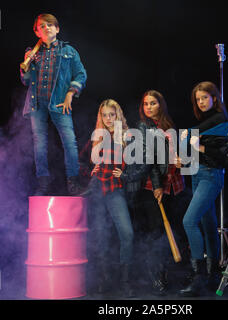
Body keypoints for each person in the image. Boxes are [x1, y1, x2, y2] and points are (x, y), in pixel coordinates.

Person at [118, 90, 188, 296]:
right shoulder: (143, 127)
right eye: (146, 104)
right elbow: (150, 161)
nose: (149, 107)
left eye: (153, 103)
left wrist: (180, 160)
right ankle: (158, 275)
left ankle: (174, 271)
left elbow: (171, 154)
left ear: (161, 105)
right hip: (152, 187)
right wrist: (157, 185)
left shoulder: (168, 125)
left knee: (177, 229)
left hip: (174, 185)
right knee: (157, 232)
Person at [20, 13, 87, 196]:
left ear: (57, 29)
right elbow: (26, 81)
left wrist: (70, 93)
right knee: (39, 143)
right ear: (37, 32)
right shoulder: (33, 54)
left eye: (50, 24)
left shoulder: (69, 51)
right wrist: (25, 66)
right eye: (42, 26)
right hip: (37, 104)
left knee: (70, 142)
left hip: (59, 102)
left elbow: (81, 75)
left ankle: (73, 182)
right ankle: (43, 182)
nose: (46, 27)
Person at [178, 81, 228, 297]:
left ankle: (198, 276)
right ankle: (212, 275)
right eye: (197, 99)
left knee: (189, 221)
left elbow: (221, 154)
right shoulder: (207, 123)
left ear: (214, 98)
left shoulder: (220, 120)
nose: (200, 102)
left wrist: (191, 140)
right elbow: (196, 148)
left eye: (204, 98)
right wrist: (182, 157)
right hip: (197, 173)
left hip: (211, 175)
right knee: (208, 223)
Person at [85, 99, 135, 297]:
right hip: (97, 188)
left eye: (111, 115)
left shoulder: (128, 136)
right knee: (99, 236)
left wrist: (125, 175)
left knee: (127, 234)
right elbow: (80, 162)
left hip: (115, 190)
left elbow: (137, 165)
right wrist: (91, 170)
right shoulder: (96, 137)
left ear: (118, 115)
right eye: (104, 115)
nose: (108, 119)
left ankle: (125, 281)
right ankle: (104, 279)